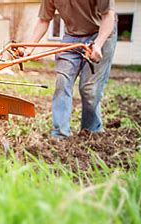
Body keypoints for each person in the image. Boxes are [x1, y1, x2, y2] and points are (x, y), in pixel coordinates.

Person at [28, 0, 118, 137]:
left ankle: (91, 132)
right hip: (71, 36)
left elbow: (108, 16)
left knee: (89, 89)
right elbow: (43, 20)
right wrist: (30, 47)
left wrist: (98, 45)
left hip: (100, 33)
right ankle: (60, 134)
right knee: (62, 82)